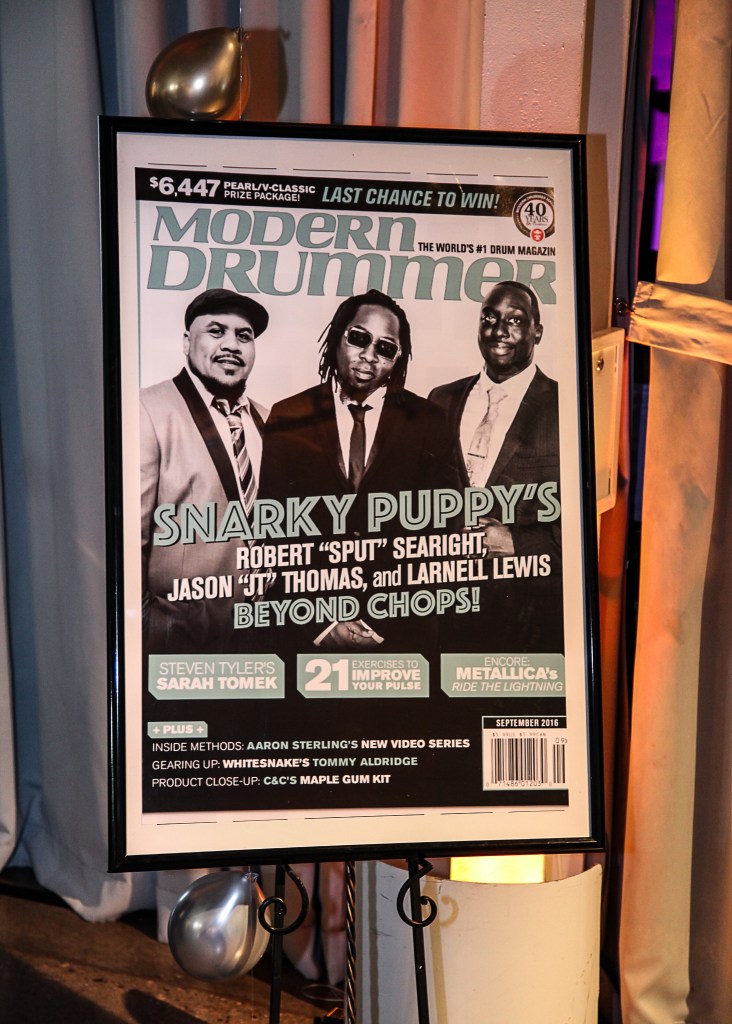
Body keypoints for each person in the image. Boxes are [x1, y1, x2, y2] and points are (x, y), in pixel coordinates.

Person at [259, 288, 459, 650]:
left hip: (401, 630)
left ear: (398, 358)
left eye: (385, 347)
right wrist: (323, 623)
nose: (369, 355)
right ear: (337, 337)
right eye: (359, 338)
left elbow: (443, 530)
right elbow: (272, 530)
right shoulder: (288, 415)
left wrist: (377, 621)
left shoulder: (430, 421)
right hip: (308, 630)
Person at [429, 280, 562, 651]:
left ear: (537, 332)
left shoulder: (564, 405)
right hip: (444, 611)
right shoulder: (440, 399)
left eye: (515, 320)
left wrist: (516, 542)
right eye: (489, 318)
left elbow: (584, 520)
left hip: (526, 619)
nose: (499, 330)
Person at [140, 288, 270, 653]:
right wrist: (152, 631)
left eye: (243, 336)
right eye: (216, 331)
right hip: (180, 645)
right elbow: (131, 541)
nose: (231, 345)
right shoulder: (147, 409)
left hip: (263, 642)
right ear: (187, 342)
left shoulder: (269, 419)